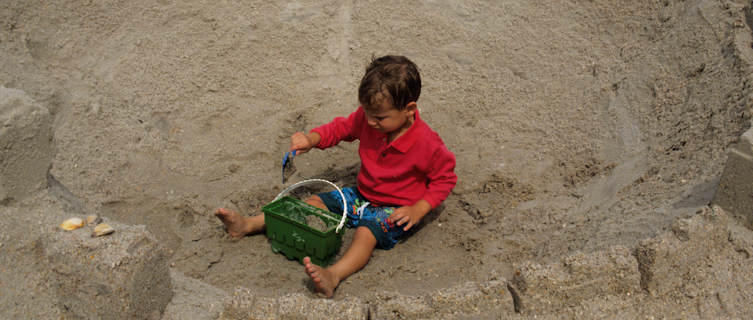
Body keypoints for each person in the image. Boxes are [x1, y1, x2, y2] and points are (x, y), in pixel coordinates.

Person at [214, 55, 457, 298]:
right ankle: (248, 225)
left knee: (366, 232)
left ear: (409, 110)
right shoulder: (369, 119)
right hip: (361, 194)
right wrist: (312, 139)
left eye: (380, 117)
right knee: (313, 204)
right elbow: (341, 128)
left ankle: (334, 275)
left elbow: (445, 178)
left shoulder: (426, 143)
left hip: (395, 208)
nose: (370, 121)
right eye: (367, 112)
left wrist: (419, 209)